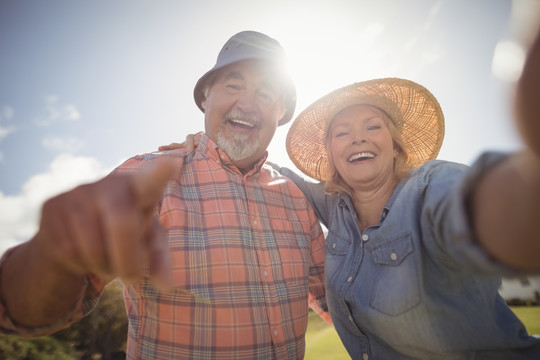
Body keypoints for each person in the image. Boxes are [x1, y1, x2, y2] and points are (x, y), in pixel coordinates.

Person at [0, 31, 329, 360]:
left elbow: (336, 301)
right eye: (233, 85)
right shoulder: (146, 180)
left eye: (266, 93)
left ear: (280, 111)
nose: (247, 102)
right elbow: (19, 313)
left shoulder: (296, 197)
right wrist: (53, 253)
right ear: (205, 97)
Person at [277, 29, 540, 358]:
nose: (358, 138)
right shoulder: (333, 207)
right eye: (342, 132)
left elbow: (474, 205)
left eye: (373, 126)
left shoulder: (430, 187)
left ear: (395, 144)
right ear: (331, 154)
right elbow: (274, 174)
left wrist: (519, 199)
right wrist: (205, 142)